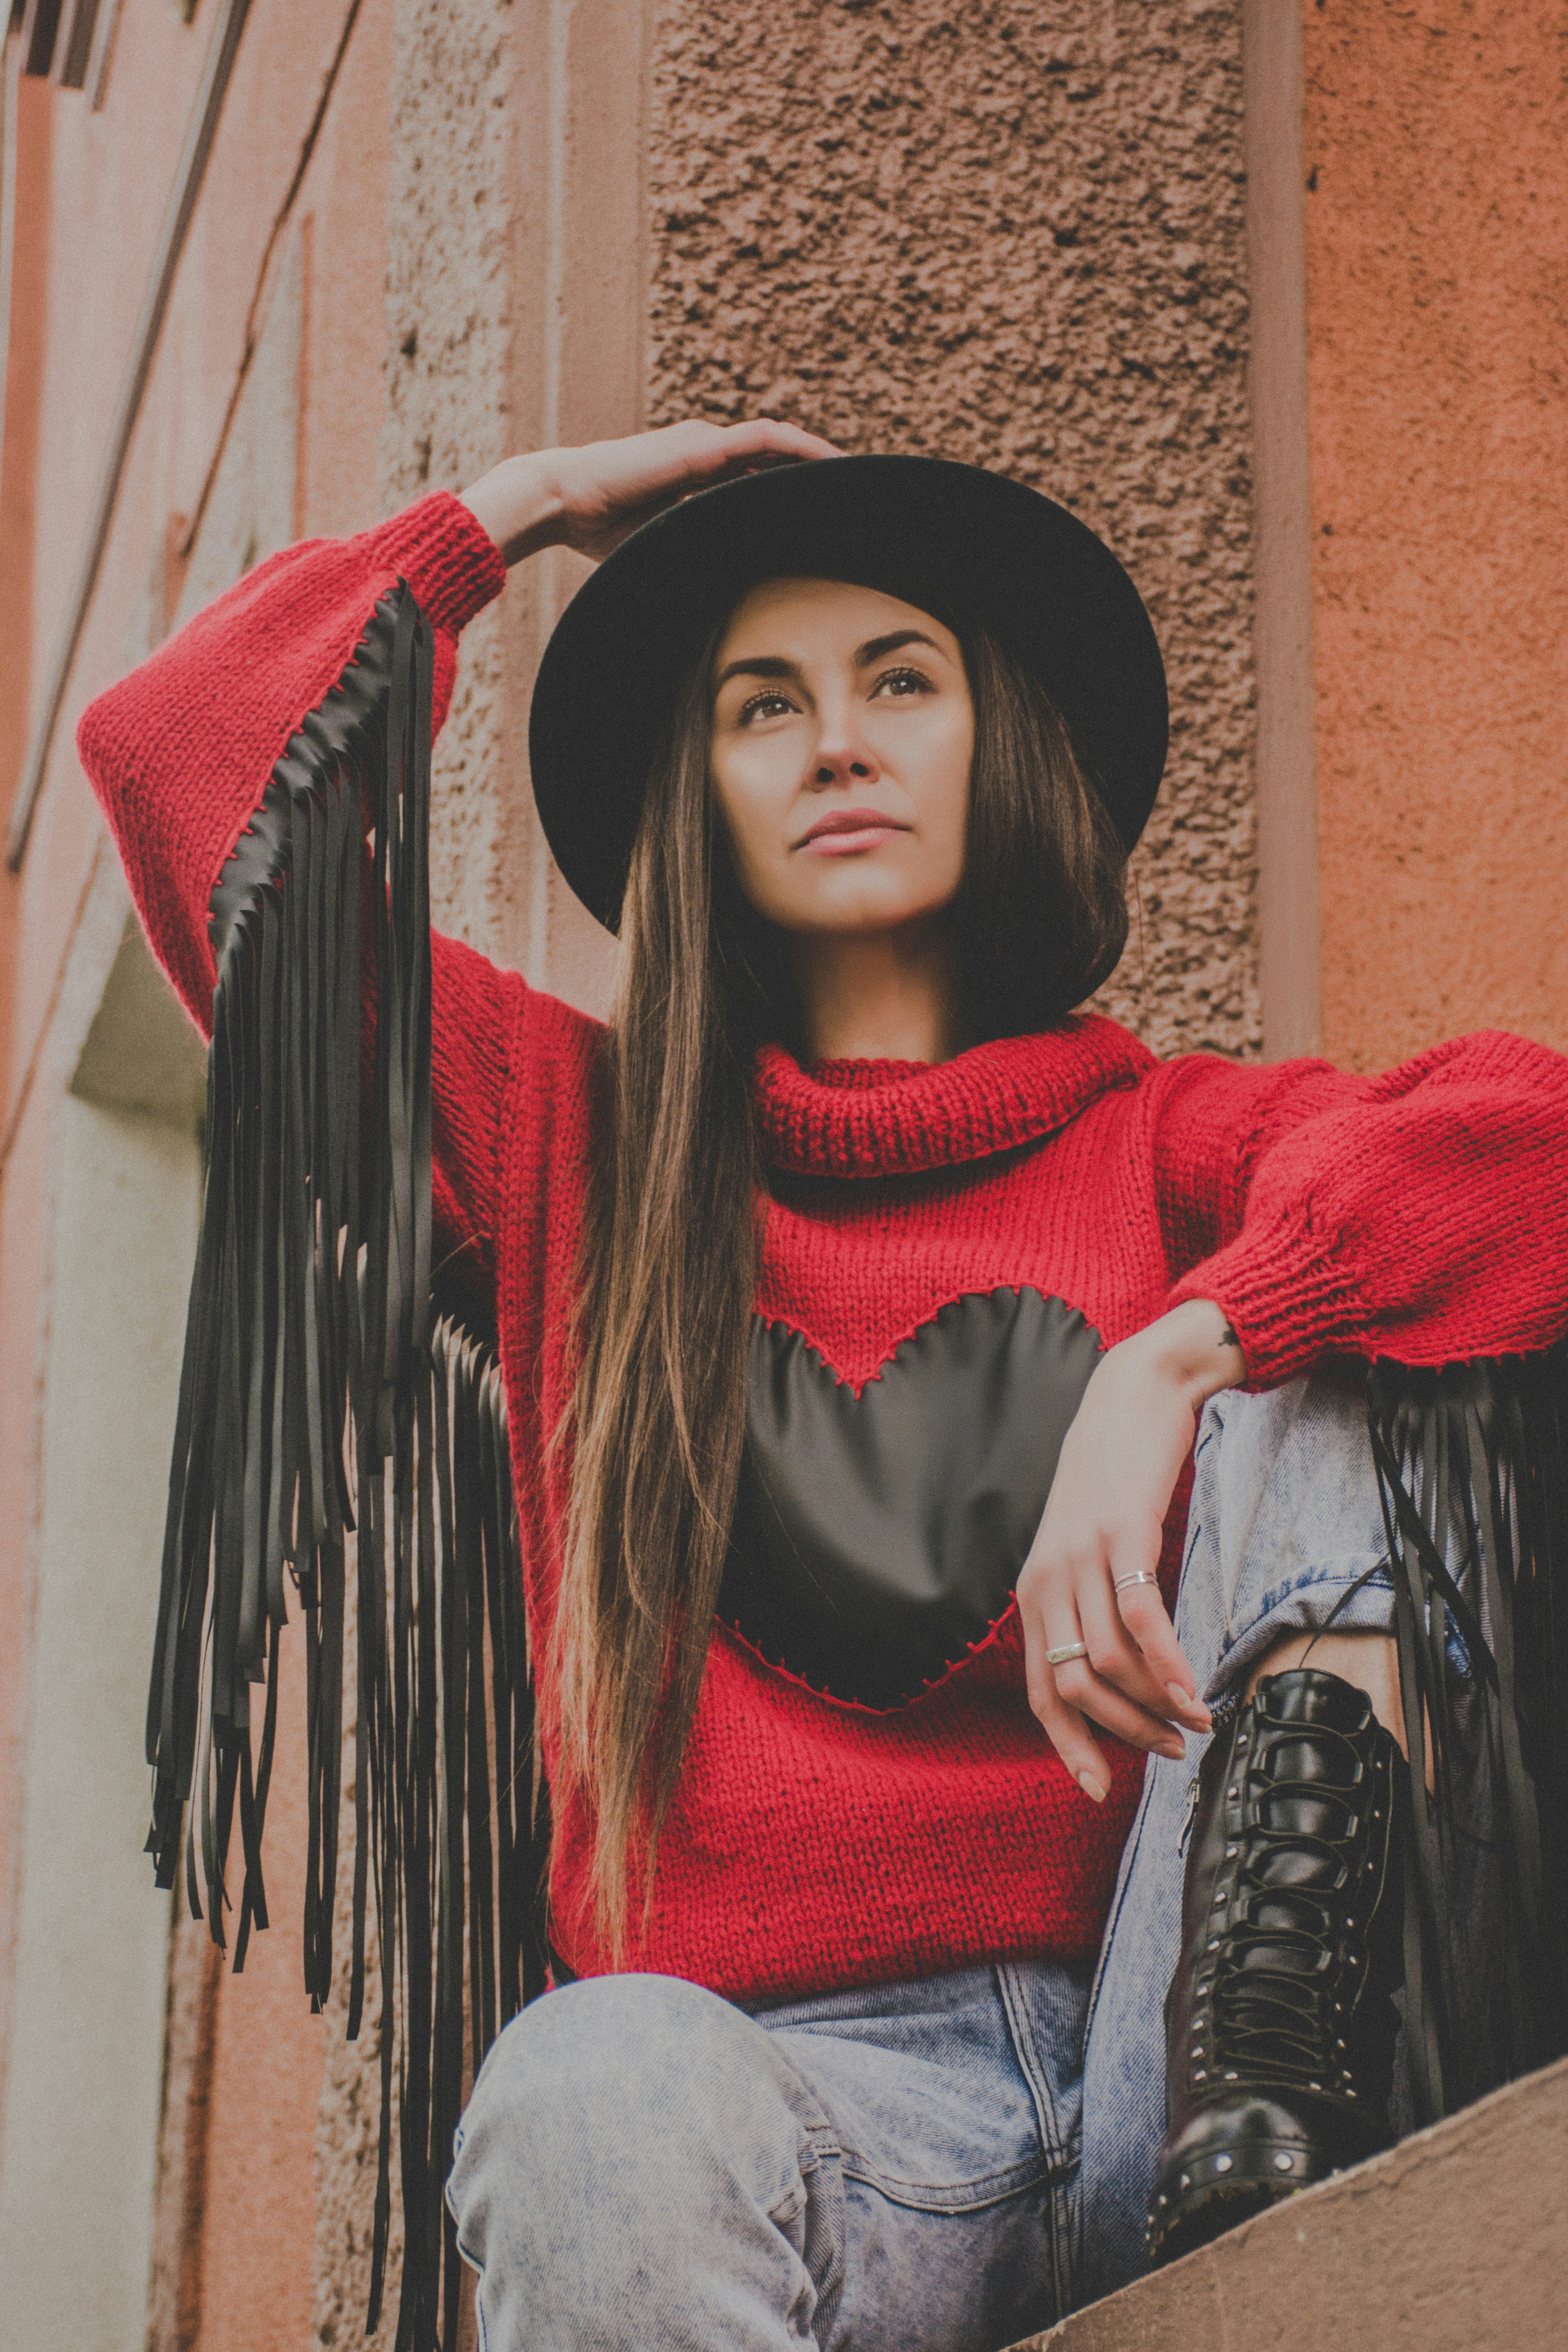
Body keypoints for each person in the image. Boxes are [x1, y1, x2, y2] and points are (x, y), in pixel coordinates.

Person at [78, 422, 1568, 2352]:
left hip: (1181, 2032)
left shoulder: (1174, 1139)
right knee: (581, 2086)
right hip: (808, 2125)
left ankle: (1282, 2071)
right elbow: (186, 775)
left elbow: (1527, 1139)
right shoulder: (567, 1146)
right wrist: (519, 513)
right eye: (762, 705)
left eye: (899, 682)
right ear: (695, 794)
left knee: (1347, 1318)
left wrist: (1184, 1350)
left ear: (996, 746)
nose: (838, 745)